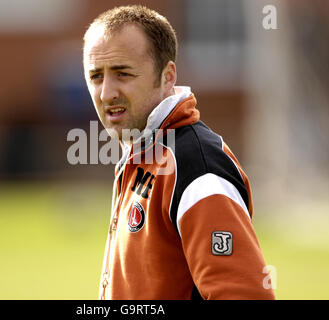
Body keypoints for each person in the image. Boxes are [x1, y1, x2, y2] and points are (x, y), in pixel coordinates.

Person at [82, 5, 275, 300]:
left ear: (168, 76)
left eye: (123, 73)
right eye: (96, 76)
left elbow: (245, 294)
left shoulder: (198, 168)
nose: (107, 93)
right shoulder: (141, 152)